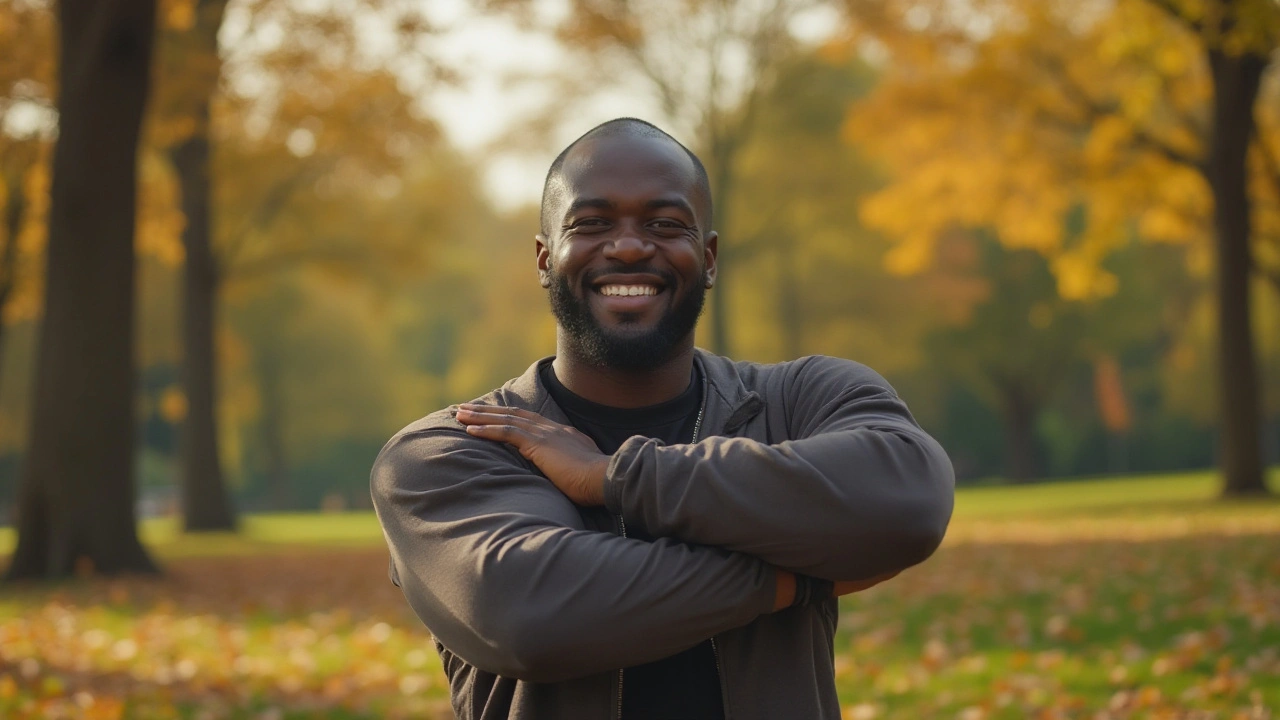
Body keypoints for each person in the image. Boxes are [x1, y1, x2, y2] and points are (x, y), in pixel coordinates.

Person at [371, 117, 955, 720]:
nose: (627, 246)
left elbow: (908, 496)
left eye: (664, 224)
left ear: (707, 258)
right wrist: (795, 581)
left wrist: (612, 479)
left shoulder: (802, 401)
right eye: (592, 223)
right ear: (545, 259)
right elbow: (527, 615)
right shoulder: (453, 446)